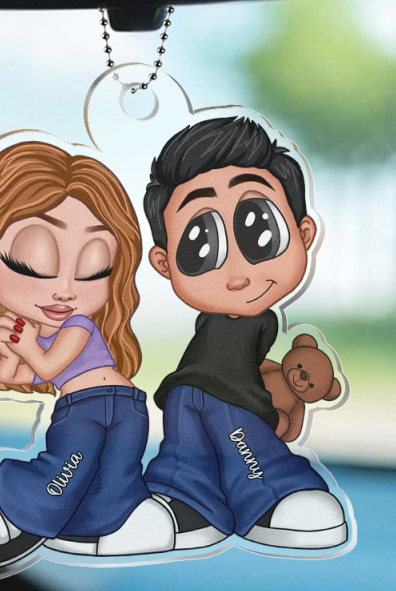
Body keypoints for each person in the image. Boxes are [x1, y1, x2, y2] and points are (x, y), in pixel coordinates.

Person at [0, 141, 175, 576]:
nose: (66, 290)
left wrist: (27, 346)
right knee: (74, 468)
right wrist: (9, 350)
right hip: (90, 408)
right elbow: (15, 376)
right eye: (36, 261)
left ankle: (107, 520)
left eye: (94, 268)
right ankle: (7, 513)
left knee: (110, 475)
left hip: (120, 408)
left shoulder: (80, 325)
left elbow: (49, 367)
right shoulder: (40, 334)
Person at [141, 116, 349, 550]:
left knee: (237, 445)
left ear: (303, 233)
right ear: (163, 262)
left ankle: (251, 497)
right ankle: (202, 502)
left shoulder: (261, 323)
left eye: (259, 232)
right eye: (201, 245)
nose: (237, 275)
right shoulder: (239, 321)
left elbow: (252, 362)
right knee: (191, 453)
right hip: (195, 392)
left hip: (220, 395)